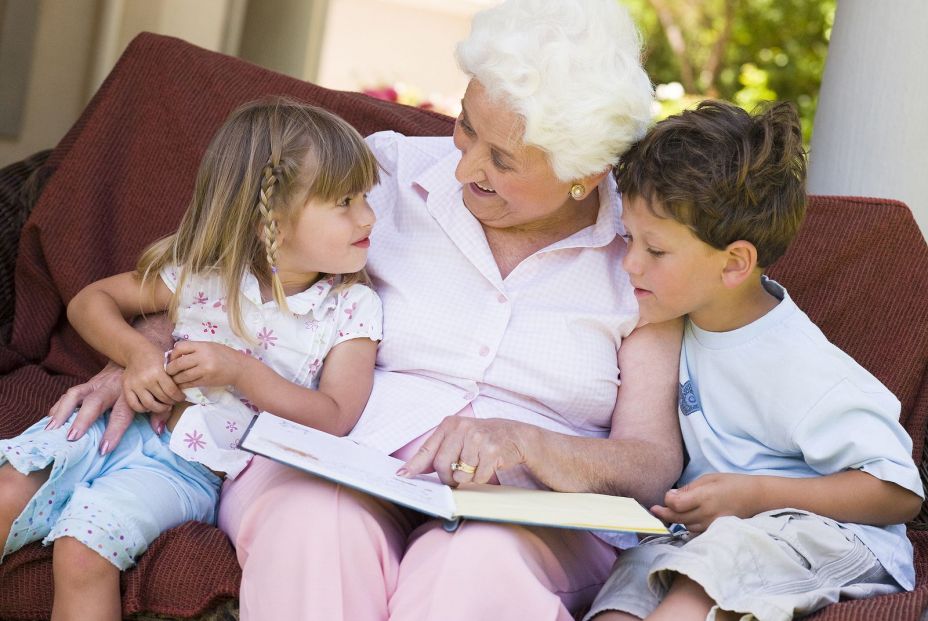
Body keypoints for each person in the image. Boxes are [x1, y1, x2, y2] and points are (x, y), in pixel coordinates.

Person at [44, 1, 684, 619]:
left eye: (502, 161)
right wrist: (151, 351)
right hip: (337, 452)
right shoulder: (385, 173)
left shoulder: (644, 254)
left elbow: (653, 465)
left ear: (588, 171)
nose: (463, 167)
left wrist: (530, 443)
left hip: (527, 507)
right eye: (466, 126)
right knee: (313, 527)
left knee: (479, 569)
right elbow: (242, 263)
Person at [0, 98, 383, 620]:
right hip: (113, 427)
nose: (368, 216)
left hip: (191, 468)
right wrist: (137, 354)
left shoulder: (350, 309)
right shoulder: (205, 274)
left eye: (364, 196)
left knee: (82, 552)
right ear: (266, 217)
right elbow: (91, 302)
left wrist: (244, 372)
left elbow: (336, 417)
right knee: (4, 494)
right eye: (344, 201)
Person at [584, 100, 924, 621]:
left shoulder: (797, 362)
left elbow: (898, 493)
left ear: (734, 263)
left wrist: (756, 493)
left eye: (655, 250)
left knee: (701, 581)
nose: (628, 263)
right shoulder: (680, 319)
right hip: (709, 535)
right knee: (626, 587)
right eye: (629, 238)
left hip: (830, 536)